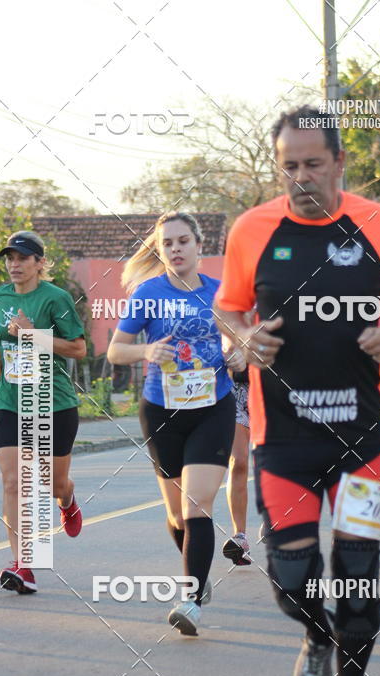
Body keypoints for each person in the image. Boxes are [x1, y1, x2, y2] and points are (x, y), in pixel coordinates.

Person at [214, 105, 380, 676]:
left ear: (340, 162)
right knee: (291, 578)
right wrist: (244, 336)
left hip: (363, 436)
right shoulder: (252, 230)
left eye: (313, 164)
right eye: (289, 166)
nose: (301, 177)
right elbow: (228, 305)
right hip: (283, 439)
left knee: (361, 580)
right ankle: (315, 633)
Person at [107, 211, 241, 636]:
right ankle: (197, 575)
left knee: (197, 505)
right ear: (160, 251)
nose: (176, 249)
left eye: (184, 241)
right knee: (177, 515)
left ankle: (191, 598)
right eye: (168, 244)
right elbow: (115, 352)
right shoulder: (148, 294)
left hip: (213, 408)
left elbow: (243, 346)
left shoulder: (221, 295)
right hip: (161, 410)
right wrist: (145, 354)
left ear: (200, 246)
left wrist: (240, 356)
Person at [0, 231, 86, 594]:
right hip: (10, 402)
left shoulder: (57, 298)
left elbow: (78, 348)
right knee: (13, 482)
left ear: (40, 263)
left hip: (54, 403)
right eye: (9, 258)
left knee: (53, 484)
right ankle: (24, 564)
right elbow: (4, 336)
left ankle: (67, 500)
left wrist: (34, 334)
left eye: (22, 258)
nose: (14, 264)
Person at [221, 343, 252, 566]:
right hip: (236, 389)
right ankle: (239, 537)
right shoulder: (226, 310)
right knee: (238, 462)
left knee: (273, 465)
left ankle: (276, 519)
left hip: (271, 390)